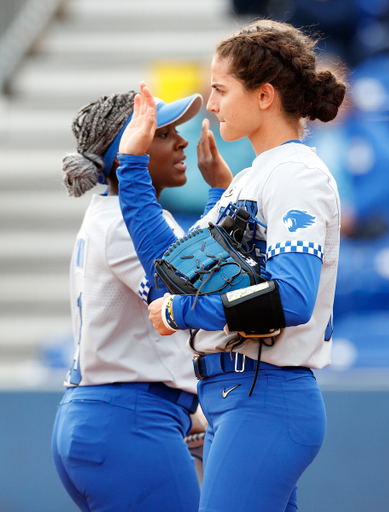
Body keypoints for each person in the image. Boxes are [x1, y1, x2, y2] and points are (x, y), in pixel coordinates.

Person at [117, 19, 346, 512]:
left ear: (264, 96)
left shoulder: (295, 174)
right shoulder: (250, 175)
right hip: (237, 397)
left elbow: (291, 299)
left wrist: (183, 312)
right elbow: (169, 272)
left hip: (267, 397)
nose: (212, 103)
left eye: (220, 89)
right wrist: (132, 168)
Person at [51, 90, 230, 512]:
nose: (182, 141)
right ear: (125, 154)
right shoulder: (121, 223)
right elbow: (191, 293)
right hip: (128, 422)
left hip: (111, 417)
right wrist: (219, 194)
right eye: (163, 133)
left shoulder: (110, 214)